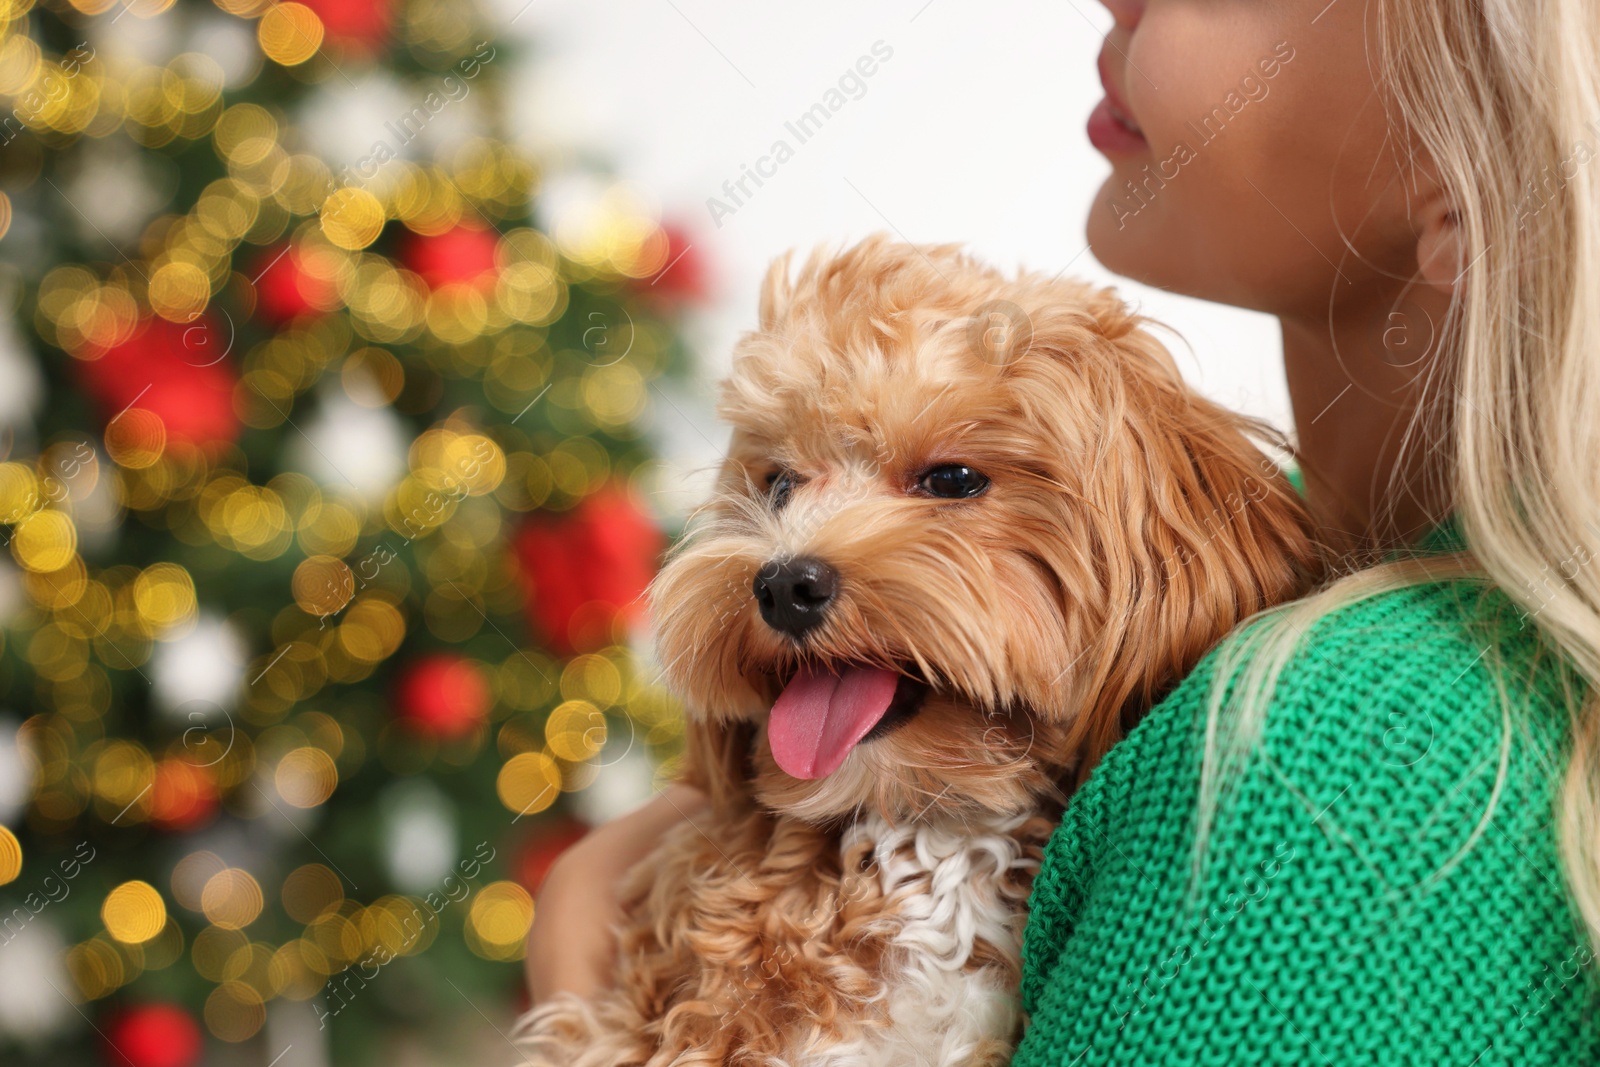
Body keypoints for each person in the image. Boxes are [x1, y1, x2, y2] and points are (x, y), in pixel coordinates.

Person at [527, 0, 1600, 1060]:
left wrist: (577, 945)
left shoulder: (1333, 741)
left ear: (1473, 163)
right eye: (779, 484)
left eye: (948, 479)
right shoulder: (1293, 578)